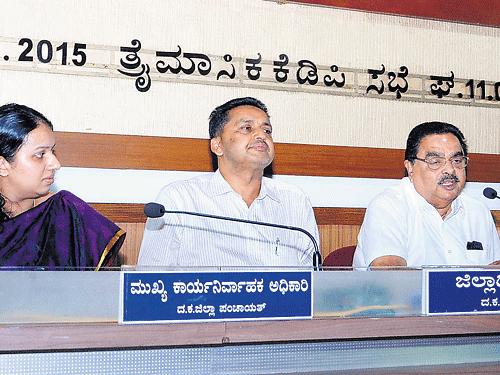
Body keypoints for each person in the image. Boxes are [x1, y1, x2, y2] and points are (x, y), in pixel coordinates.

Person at [138, 97, 319, 267]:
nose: (261, 136)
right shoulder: (178, 200)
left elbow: (310, 283)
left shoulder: (295, 200)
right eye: (247, 128)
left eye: (267, 130)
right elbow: (150, 282)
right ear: (218, 146)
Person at [353, 121, 500, 269]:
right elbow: (391, 278)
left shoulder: (479, 211)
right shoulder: (388, 207)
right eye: (435, 162)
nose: (450, 170)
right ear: (410, 168)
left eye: (457, 160)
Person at [0, 103, 125, 270]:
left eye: (52, 152)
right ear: (2, 165)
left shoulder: (65, 211)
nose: (55, 164)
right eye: (40, 155)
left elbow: (97, 289)